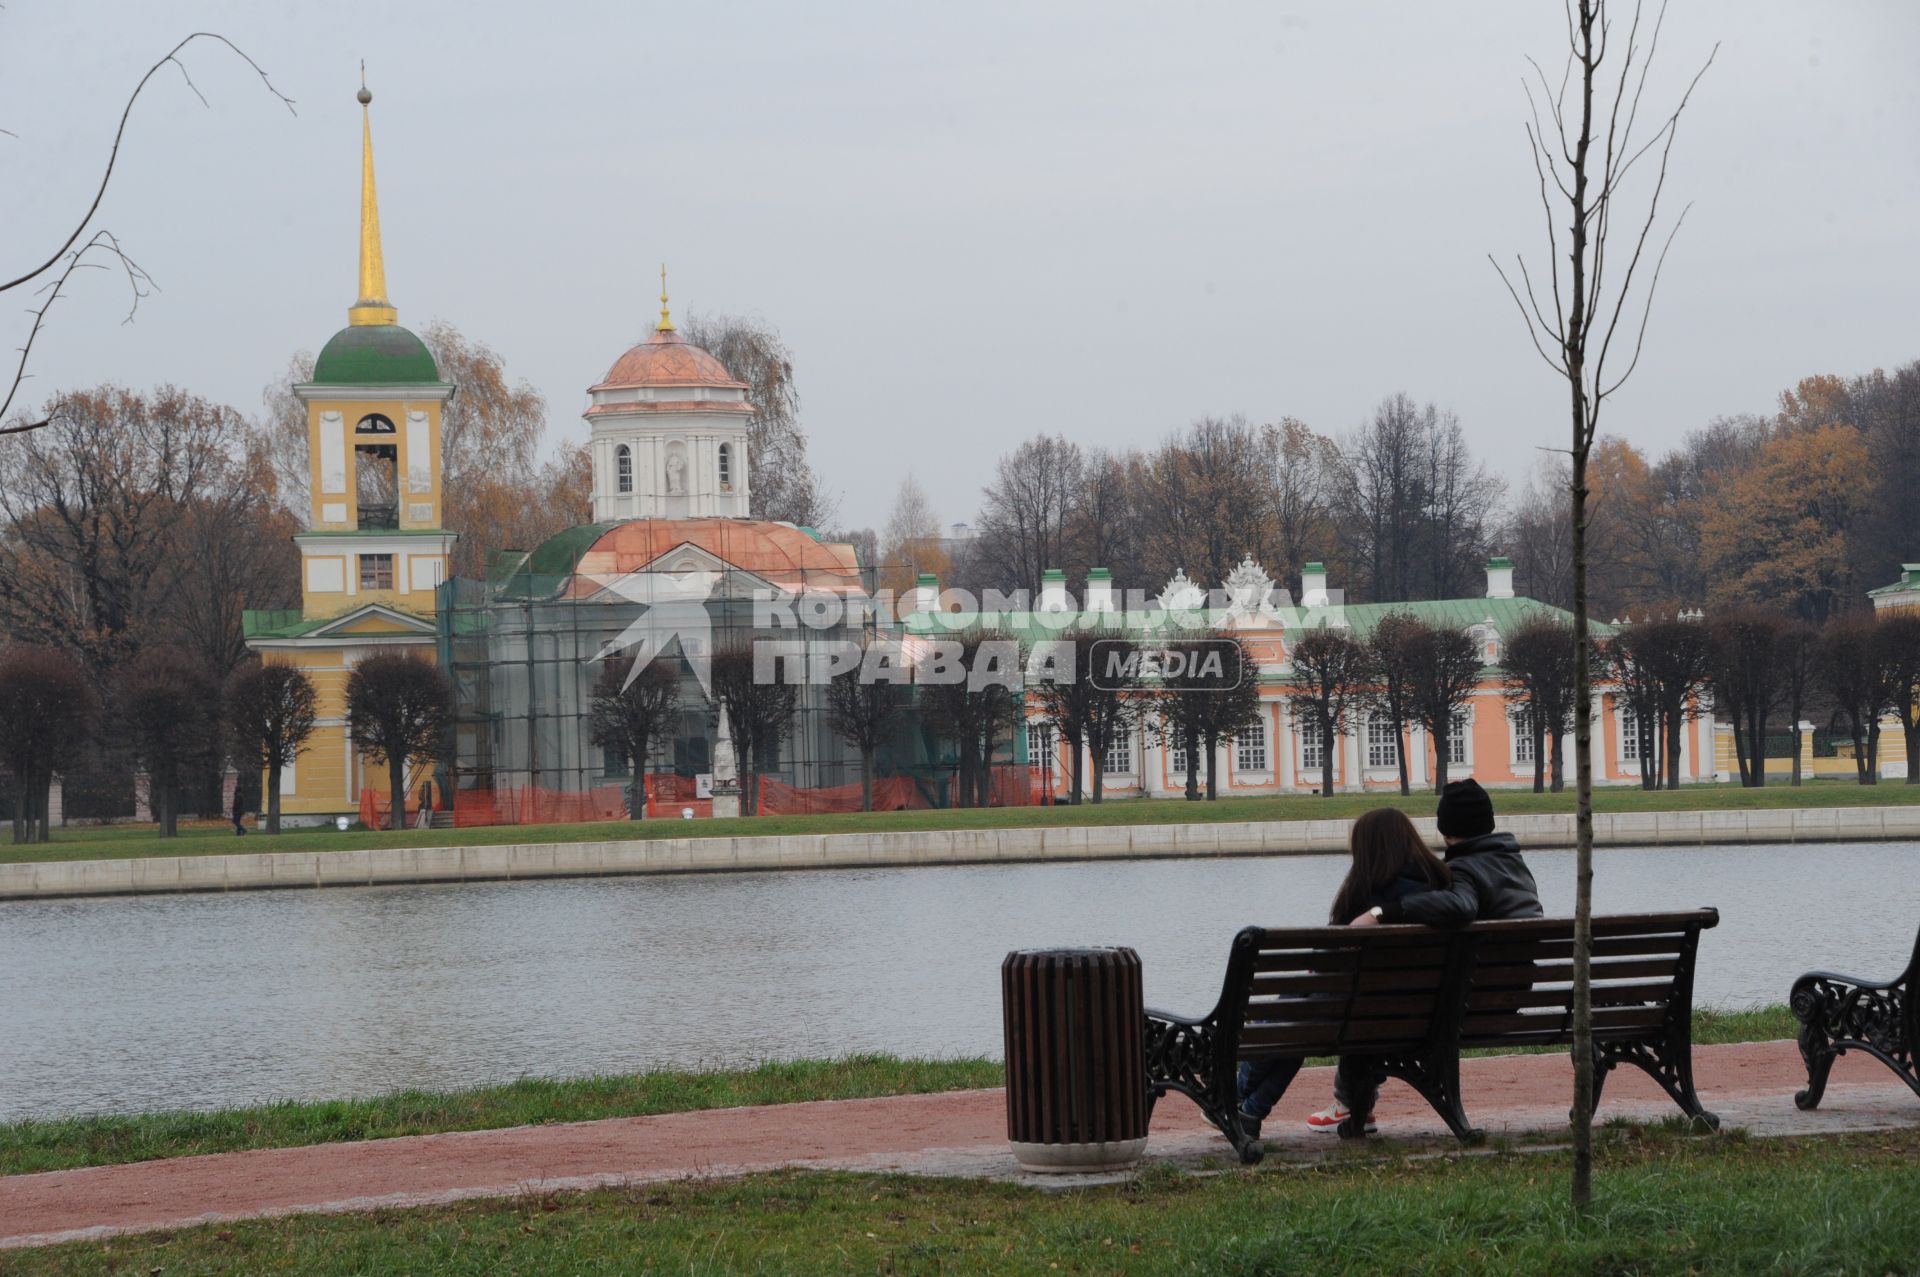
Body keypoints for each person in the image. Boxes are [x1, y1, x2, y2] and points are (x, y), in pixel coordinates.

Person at [1316, 778, 1545, 1133]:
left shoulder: (1465, 870)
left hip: (1470, 1006)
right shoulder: (1514, 865)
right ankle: (1351, 1105)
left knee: (1369, 1004)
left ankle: (1349, 1104)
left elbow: (1461, 907)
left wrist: (1384, 912)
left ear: (1444, 828)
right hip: (1511, 995)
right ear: (1490, 822)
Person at [1235, 807, 1452, 1139]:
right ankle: (1246, 1109)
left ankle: (1239, 1099)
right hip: (1417, 1018)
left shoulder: (1364, 896)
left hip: (1354, 1019)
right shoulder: (1441, 887)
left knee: (1291, 1016)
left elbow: (1327, 960)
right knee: (1297, 1010)